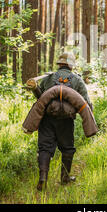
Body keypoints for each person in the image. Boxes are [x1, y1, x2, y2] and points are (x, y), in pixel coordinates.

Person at [35, 52, 93, 191]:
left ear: (60, 64)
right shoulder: (77, 80)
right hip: (66, 121)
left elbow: (40, 97)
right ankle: (65, 178)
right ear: (71, 65)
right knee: (67, 148)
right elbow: (86, 102)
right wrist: (89, 117)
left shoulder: (48, 78)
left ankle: (43, 177)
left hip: (47, 119)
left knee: (45, 148)